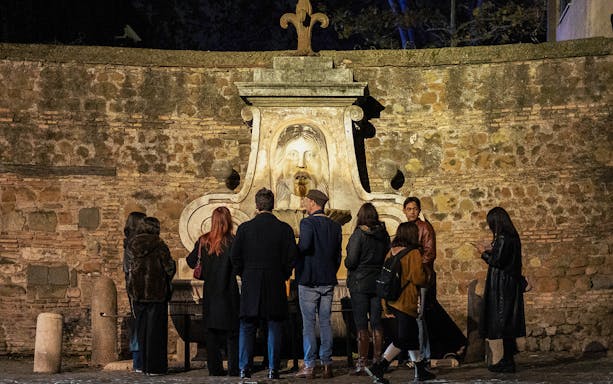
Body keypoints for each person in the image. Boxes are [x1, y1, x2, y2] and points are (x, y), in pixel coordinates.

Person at [230, 188, 297, 380]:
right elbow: (292, 258)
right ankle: (273, 368)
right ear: (273, 205)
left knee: (247, 325)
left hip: (251, 282)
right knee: (274, 325)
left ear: (257, 205)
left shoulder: (245, 228)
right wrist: (283, 273)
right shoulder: (284, 229)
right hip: (275, 282)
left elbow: (235, 256)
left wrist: (244, 273)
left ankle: (244, 367)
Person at [367, 222, 435, 384]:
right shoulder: (413, 254)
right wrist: (428, 273)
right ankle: (379, 366)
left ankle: (420, 370)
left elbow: (385, 278)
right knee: (403, 339)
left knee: (410, 337)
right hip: (406, 302)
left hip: (391, 301)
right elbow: (418, 278)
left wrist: (384, 305)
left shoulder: (391, 252)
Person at [185, 206, 239, 377]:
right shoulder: (233, 241)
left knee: (211, 334)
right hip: (229, 292)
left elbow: (191, 261)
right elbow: (240, 265)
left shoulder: (203, 241)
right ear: (228, 221)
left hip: (210, 293)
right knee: (232, 333)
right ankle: (233, 368)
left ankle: (215, 369)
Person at [295, 189, 342, 379]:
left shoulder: (307, 223)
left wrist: (295, 253)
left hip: (309, 280)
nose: (304, 203)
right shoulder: (335, 226)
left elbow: (305, 246)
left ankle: (309, 365)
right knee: (325, 322)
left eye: (306, 200)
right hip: (327, 279)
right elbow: (337, 255)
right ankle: (327, 364)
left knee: (308, 324)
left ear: (313, 202)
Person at [476, 207, 526, 373]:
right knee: (507, 322)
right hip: (509, 283)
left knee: (502, 321)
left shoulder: (504, 237)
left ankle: (506, 361)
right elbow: (505, 257)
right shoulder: (513, 236)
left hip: (502, 286)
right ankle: (507, 359)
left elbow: (497, 261)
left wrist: (483, 253)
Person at [344, 203, 390, 375]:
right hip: (377, 282)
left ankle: (362, 362)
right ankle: (378, 360)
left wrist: (346, 262)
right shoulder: (383, 234)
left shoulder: (359, 234)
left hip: (360, 283)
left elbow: (352, 261)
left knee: (361, 323)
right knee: (377, 322)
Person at [127, 216, 176, 376]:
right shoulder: (159, 244)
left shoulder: (133, 244)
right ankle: (155, 367)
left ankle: (143, 365)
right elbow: (169, 267)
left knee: (142, 330)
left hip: (138, 293)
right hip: (156, 293)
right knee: (156, 332)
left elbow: (129, 269)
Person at [403, 196, 436, 362]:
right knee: (411, 316)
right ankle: (415, 355)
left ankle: (424, 356)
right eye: (409, 209)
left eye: (415, 209)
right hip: (407, 277)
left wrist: (415, 267)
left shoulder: (425, 228)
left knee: (419, 316)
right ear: (404, 211)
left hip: (421, 276)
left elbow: (429, 253)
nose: (412, 212)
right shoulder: (404, 228)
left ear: (419, 210)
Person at [122, 211, 146, 373]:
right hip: (137, 288)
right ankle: (139, 361)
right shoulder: (134, 245)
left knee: (139, 324)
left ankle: (140, 361)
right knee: (140, 324)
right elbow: (132, 269)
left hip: (134, 287)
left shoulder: (130, 243)